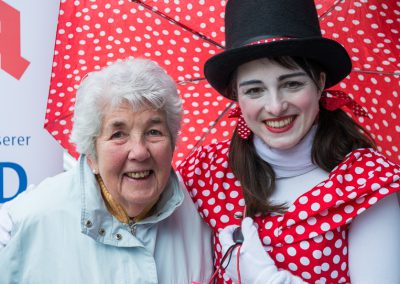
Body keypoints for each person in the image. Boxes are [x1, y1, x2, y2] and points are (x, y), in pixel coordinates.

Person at [177, 0, 400, 283]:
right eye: (255, 90)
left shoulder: (367, 182)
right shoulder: (206, 172)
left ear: (319, 83)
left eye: (292, 84)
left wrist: (267, 279)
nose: (275, 107)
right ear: (237, 95)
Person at [0, 58, 213, 283]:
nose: (139, 152)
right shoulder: (27, 224)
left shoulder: (205, 214)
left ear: (172, 142)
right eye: (118, 135)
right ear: (91, 154)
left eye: (154, 132)